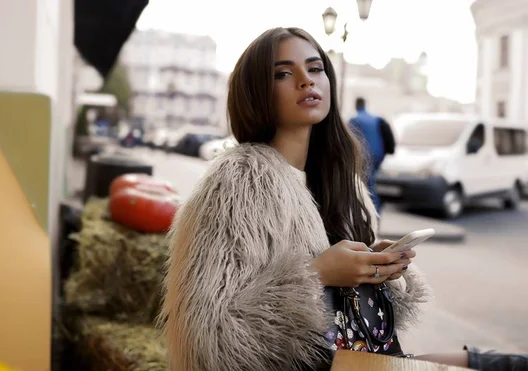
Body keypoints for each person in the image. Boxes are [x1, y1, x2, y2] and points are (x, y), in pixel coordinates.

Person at [159, 27, 527, 371]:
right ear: (255, 91)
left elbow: (358, 330)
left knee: (501, 362)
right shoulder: (239, 181)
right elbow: (207, 336)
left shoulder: (343, 181)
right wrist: (317, 274)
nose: (306, 80)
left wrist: (374, 269)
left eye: (315, 68)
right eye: (283, 74)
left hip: (363, 361)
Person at [349, 97, 388, 214]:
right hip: (378, 154)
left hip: (364, 156)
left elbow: (350, 139)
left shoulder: (355, 120)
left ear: (356, 105)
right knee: (371, 183)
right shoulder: (375, 119)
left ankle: (373, 212)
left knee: (366, 186)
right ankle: (376, 211)